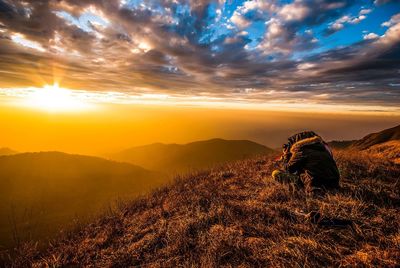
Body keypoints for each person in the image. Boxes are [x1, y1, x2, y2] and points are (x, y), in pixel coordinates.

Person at [272, 131, 340, 195]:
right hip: (334, 185)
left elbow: (288, 169)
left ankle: (298, 190)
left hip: (315, 186)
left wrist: (286, 156)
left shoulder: (300, 150)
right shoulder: (323, 149)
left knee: (276, 173)